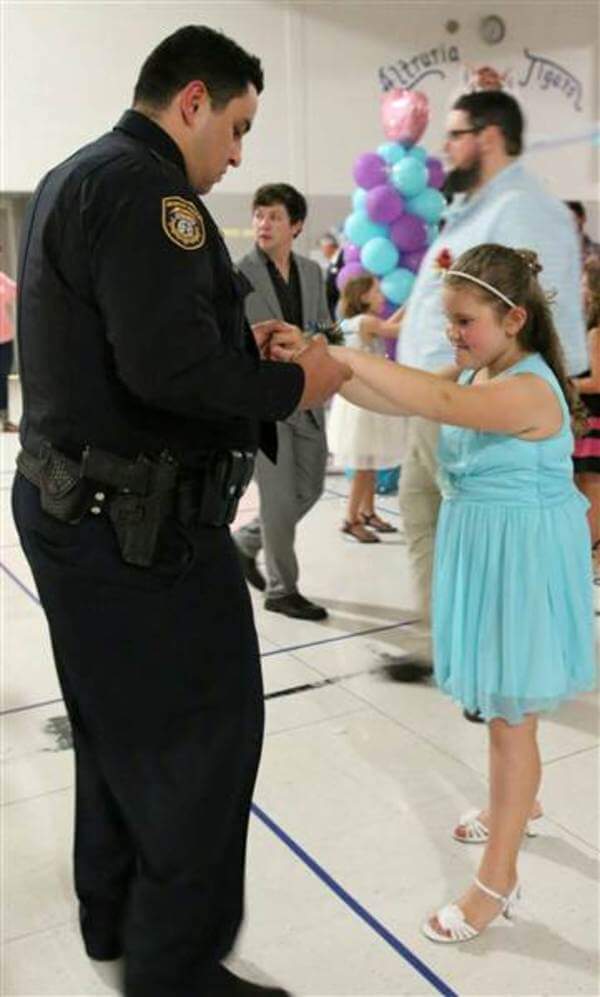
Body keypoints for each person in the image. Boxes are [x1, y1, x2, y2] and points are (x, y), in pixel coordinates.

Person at [11, 25, 349, 997]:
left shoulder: (79, 175)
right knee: (206, 739)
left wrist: (251, 346)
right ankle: (176, 969)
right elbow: (167, 368)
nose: (239, 153)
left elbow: (139, 337)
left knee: (115, 727)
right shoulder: (156, 196)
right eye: (237, 126)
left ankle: (112, 915)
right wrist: (298, 384)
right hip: (138, 533)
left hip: (78, 510)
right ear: (192, 100)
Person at [323, 243, 595, 943]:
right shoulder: (482, 364)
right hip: (489, 546)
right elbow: (396, 389)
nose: (453, 332)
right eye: (448, 319)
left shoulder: (528, 388)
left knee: (511, 717)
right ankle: (521, 804)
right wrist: (321, 359)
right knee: (506, 708)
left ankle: (495, 882)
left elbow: (438, 400)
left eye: (463, 320)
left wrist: (346, 355)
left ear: (513, 317)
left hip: (523, 557)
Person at [391, 89, 588, 683]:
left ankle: (485, 659)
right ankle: (447, 643)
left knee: (475, 536)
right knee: (424, 515)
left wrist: (503, 393)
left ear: (489, 136)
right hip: (444, 394)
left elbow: (539, 322)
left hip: (478, 402)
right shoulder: (478, 206)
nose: (445, 148)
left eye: (454, 134)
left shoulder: (526, 210)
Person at [233, 183, 332, 621]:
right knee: (276, 502)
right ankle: (282, 589)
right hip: (265, 405)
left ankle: (245, 543)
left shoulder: (312, 273)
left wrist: (313, 342)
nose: (263, 224)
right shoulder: (238, 274)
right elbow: (230, 340)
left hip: (308, 399)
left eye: (273, 216)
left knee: (309, 489)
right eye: (258, 215)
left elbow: (328, 331)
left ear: (296, 225)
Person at [327, 275, 405, 542]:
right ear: (363, 297)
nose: (382, 297)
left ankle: (368, 512)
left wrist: (408, 306)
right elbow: (394, 330)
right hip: (365, 404)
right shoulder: (367, 322)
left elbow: (386, 326)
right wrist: (422, 309)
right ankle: (351, 518)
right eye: (377, 292)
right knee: (363, 465)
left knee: (368, 461)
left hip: (353, 403)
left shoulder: (350, 324)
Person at [573, 257, 600, 573]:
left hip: (594, 418)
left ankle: (586, 554)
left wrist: (568, 383)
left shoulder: (595, 332)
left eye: (582, 282)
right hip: (589, 419)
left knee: (591, 489)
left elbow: (597, 380)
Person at [0, 266, 17, 430]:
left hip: (5, 339)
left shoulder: (1, 278)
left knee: (2, 378)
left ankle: (4, 420)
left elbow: (17, 291)